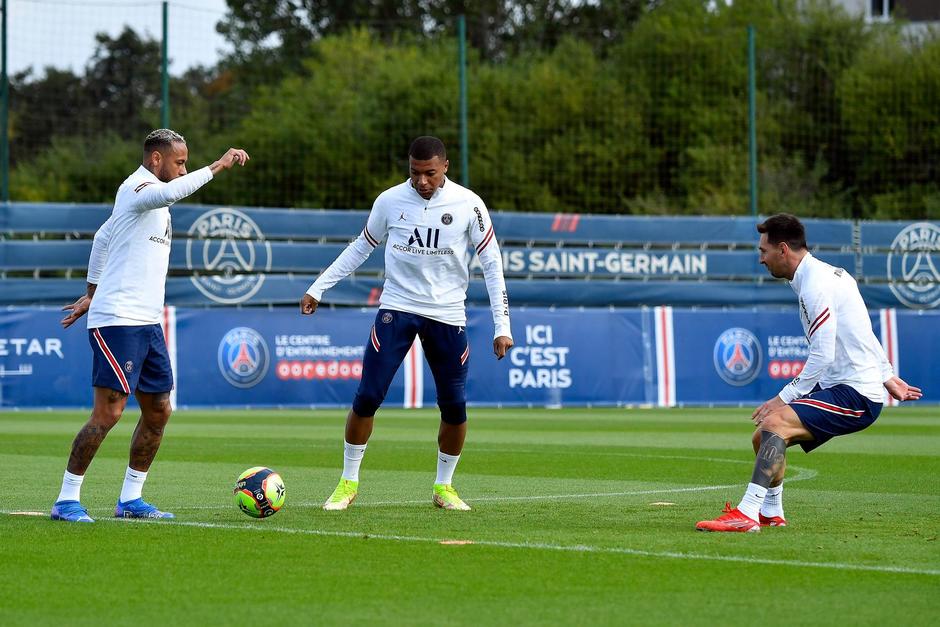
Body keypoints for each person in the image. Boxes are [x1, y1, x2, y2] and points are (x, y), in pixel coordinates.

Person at [301, 136, 513, 511]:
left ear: (445, 166)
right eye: (415, 173)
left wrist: (502, 325)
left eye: (430, 173)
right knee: (367, 397)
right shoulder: (389, 200)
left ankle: (444, 487)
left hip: (447, 315)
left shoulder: (469, 204)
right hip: (396, 309)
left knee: (454, 406)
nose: (422, 181)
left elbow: (492, 264)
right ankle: (347, 483)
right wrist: (319, 288)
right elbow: (361, 247)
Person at [51, 129, 250, 523]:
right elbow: (167, 194)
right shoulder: (138, 186)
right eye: (179, 162)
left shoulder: (148, 202)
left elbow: (103, 237)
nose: (184, 169)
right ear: (156, 160)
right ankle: (66, 499)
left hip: (146, 321)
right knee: (109, 413)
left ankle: (130, 500)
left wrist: (91, 290)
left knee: (159, 410)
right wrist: (217, 166)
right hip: (118, 321)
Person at [696, 214, 922, 532]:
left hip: (855, 393)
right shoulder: (830, 275)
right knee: (764, 436)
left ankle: (746, 514)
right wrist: (887, 375)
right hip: (853, 386)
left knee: (775, 422)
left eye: (763, 251)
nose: (760, 259)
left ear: (783, 249)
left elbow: (823, 355)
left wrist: (783, 397)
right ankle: (771, 512)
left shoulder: (816, 286)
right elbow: (862, 330)